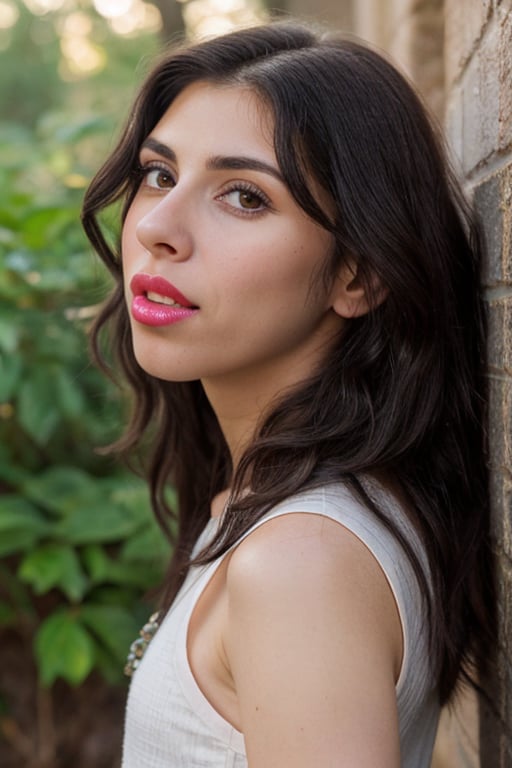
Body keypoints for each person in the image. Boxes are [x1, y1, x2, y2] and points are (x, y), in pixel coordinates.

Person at [81, 20, 495, 768]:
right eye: (160, 174)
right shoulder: (293, 503)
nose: (158, 229)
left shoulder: (299, 568)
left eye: (244, 196)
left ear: (359, 276)